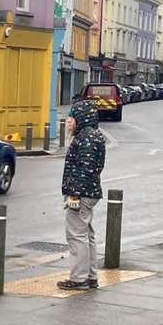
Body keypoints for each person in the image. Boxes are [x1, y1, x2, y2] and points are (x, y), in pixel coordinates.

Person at [58, 98, 106, 291]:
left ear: (82, 118)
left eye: (73, 117)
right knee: (86, 234)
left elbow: (84, 169)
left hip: (81, 192)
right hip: (89, 191)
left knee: (76, 235)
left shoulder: (86, 137)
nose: (69, 120)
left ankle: (78, 279)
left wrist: (74, 195)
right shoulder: (93, 135)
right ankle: (91, 276)